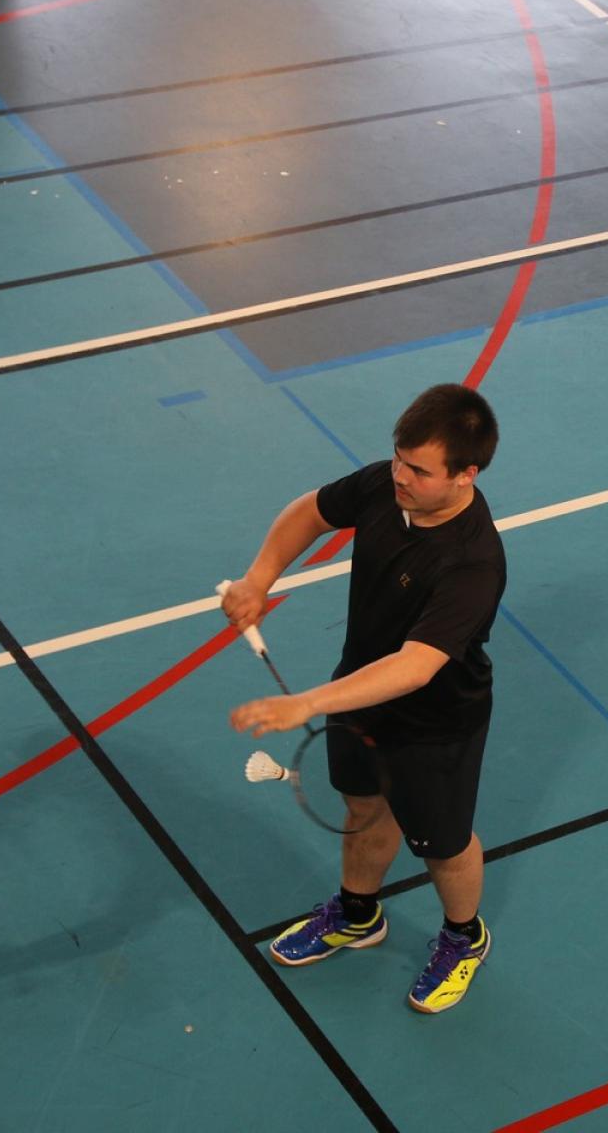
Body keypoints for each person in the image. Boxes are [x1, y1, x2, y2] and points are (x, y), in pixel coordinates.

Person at [224, 383, 505, 1014]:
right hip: (357, 691)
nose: (400, 476)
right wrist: (258, 578)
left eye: (420, 470)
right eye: (399, 459)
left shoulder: (472, 563)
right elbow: (312, 511)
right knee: (363, 805)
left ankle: (464, 937)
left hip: (434, 725)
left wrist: (307, 704)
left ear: (466, 474)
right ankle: (358, 914)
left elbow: (416, 666)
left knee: (443, 845)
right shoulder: (387, 485)